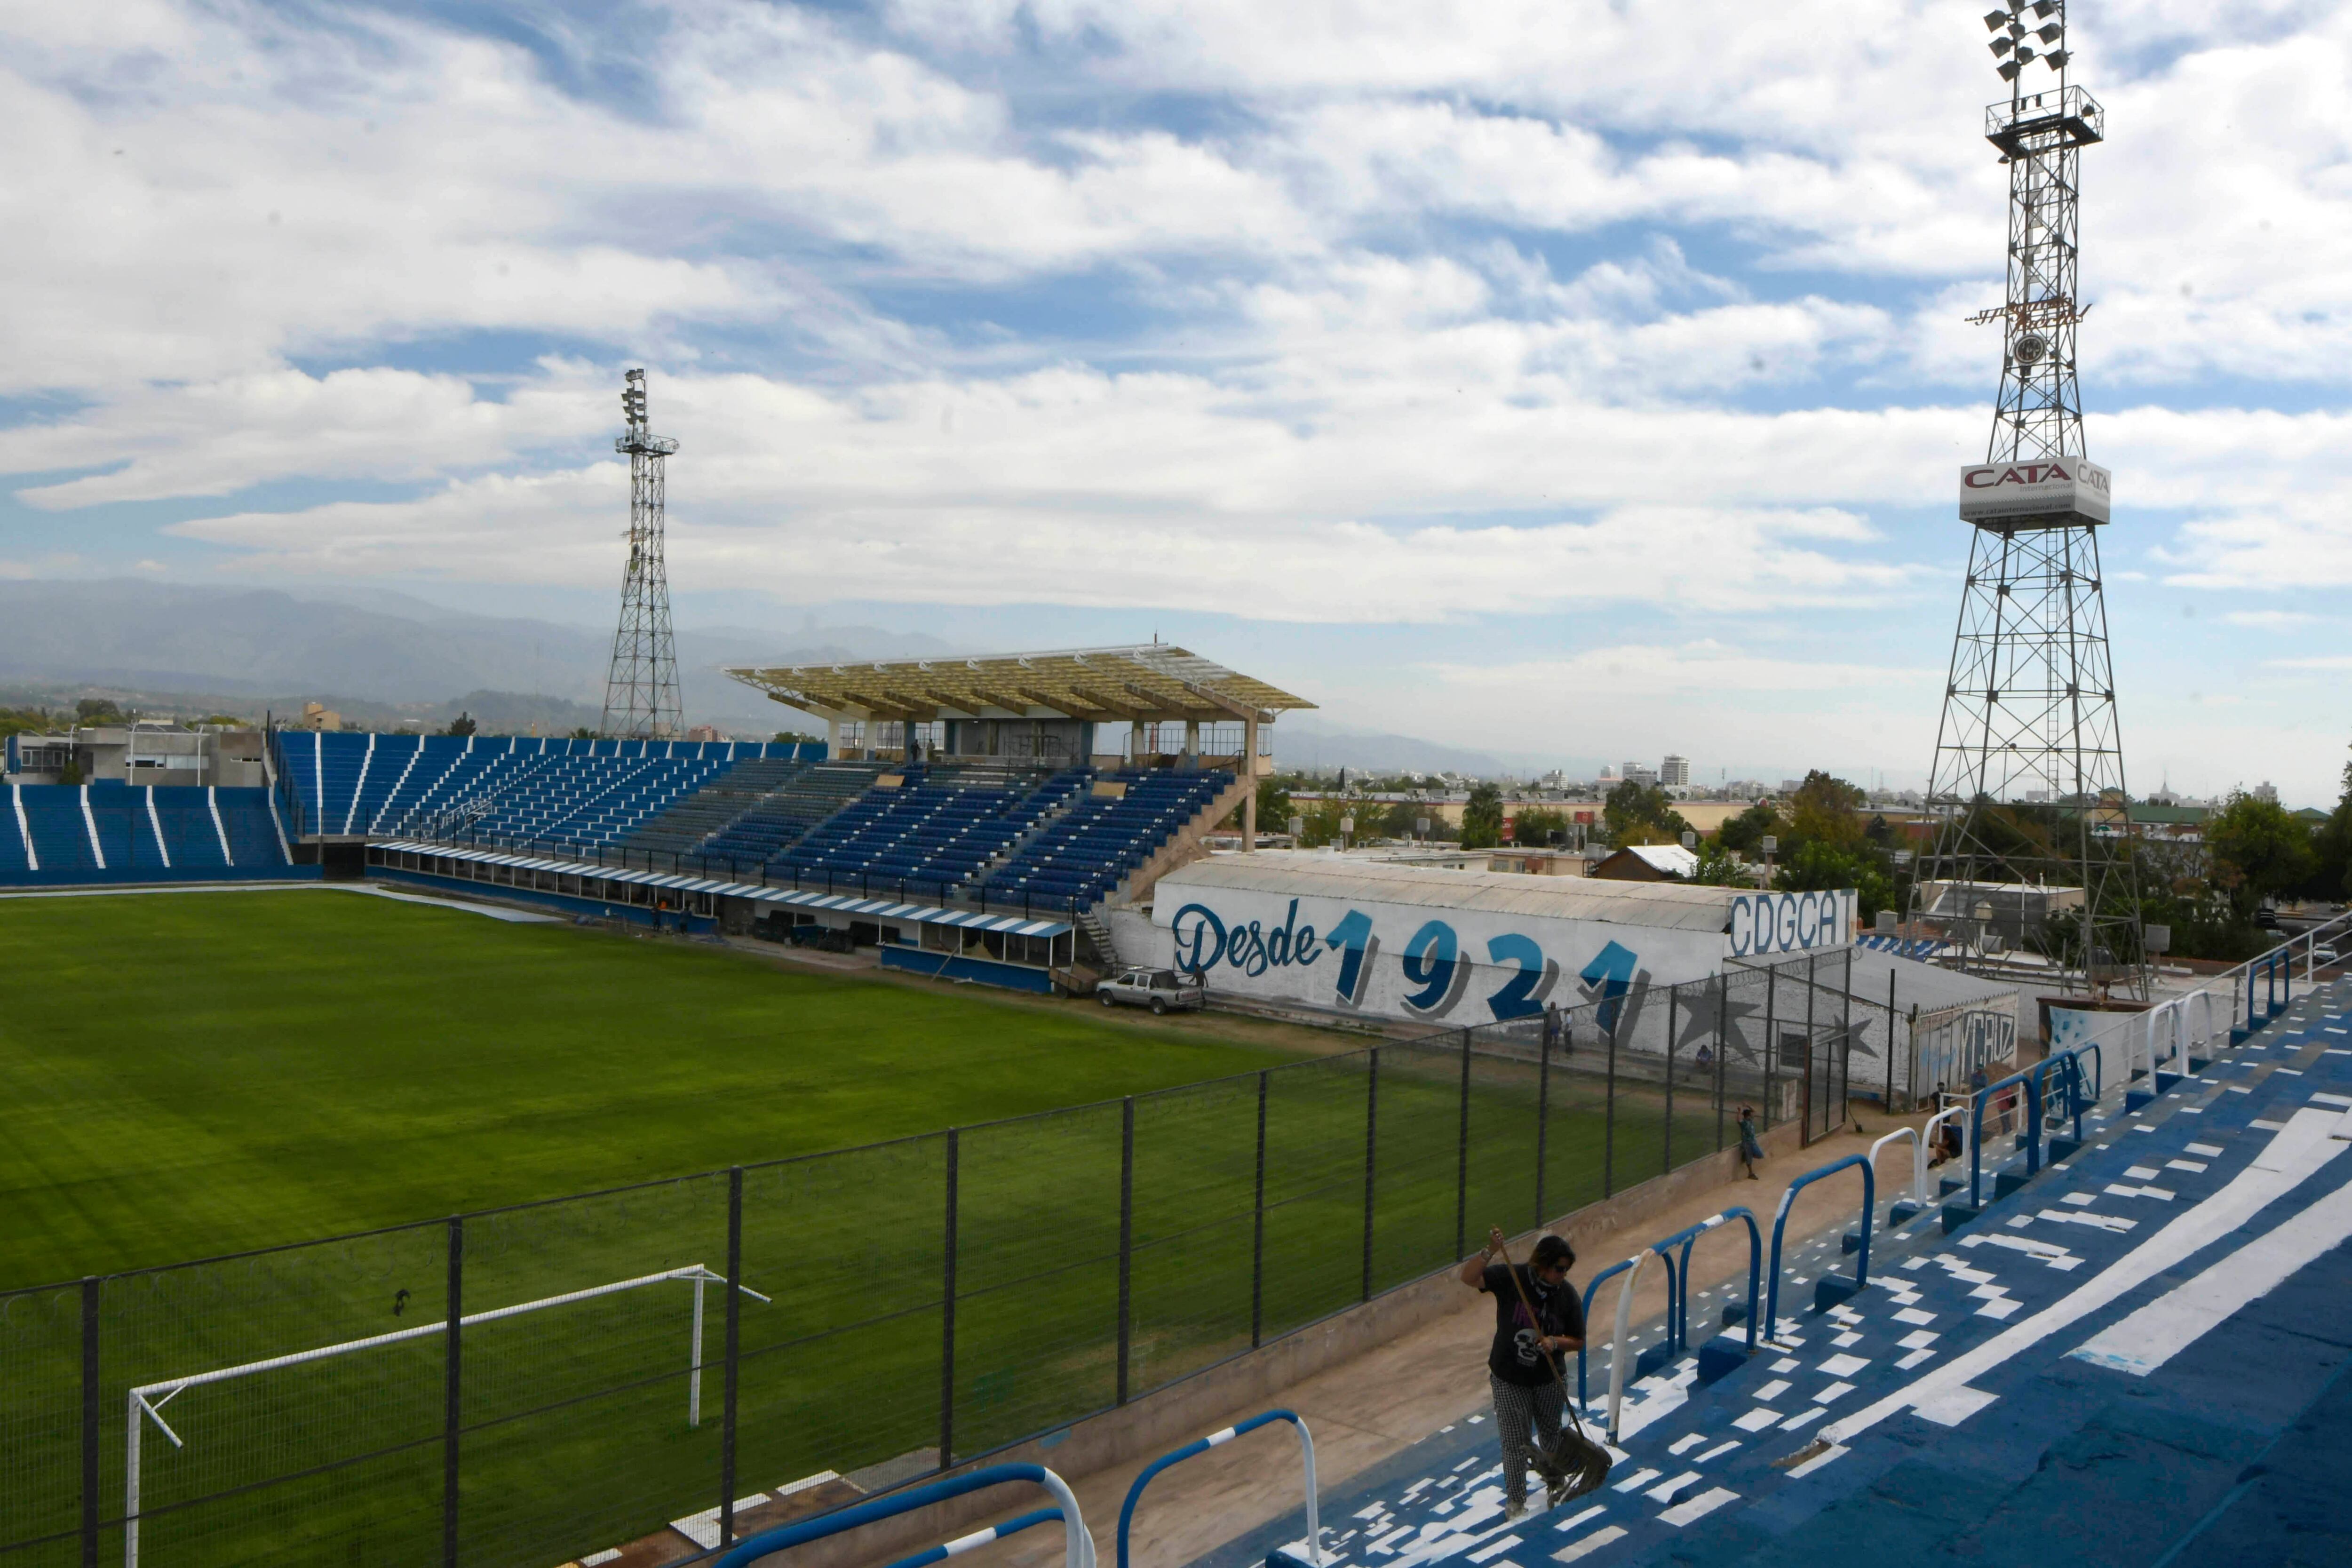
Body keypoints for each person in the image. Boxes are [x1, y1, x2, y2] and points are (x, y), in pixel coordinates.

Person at [1459, 1226, 1585, 1520]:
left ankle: (1556, 1483)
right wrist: (1489, 1250)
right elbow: (1469, 1278)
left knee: (1552, 1438)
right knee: (1515, 1444)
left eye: (1566, 1270)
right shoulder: (1512, 1278)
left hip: (1548, 1380)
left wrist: (1555, 1342)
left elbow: (1579, 1339)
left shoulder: (1566, 1296)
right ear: (1541, 1264)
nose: (1562, 1275)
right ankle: (1516, 1502)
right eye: (1558, 1269)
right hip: (1509, 1378)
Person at [1737, 1104, 1764, 1179]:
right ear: (1747, 1116)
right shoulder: (1744, 1123)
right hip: (1747, 1143)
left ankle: (1747, 1155)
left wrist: (1748, 1105)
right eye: (1750, 1115)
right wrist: (1739, 1112)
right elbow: (1738, 1120)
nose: (1751, 1116)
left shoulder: (1751, 1121)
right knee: (1749, 1159)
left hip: (1753, 1142)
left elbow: (1754, 1111)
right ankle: (1751, 1173)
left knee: (1760, 1155)